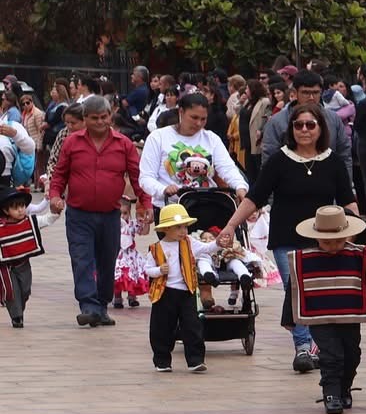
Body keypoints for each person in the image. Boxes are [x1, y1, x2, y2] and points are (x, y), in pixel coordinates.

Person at [217, 103, 359, 372]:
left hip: (325, 239)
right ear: (291, 129)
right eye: (298, 125)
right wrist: (230, 226)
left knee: (318, 292)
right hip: (286, 238)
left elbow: (347, 200)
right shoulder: (279, 160)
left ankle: (318, 345)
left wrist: (356, 231)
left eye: (310, 125)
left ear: (321, 128)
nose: (304, 130)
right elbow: (255, 197)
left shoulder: (333, 161)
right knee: (294, 289)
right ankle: (303, 346)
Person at [45, 95, 142, 327]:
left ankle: (101, 306)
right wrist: (55, 196)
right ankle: (88, 306)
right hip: (79, 214)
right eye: (94, 118)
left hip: (111, 214)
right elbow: (60, 174)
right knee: (82, 259)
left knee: (107, 261)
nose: (100, 122)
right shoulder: (72, 142)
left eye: (104, 117)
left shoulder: (124, 144)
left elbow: (137, 176)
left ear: (110, 116)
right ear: (85, 118)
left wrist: (145, 204)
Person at [289, 205, 366, 414]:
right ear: (316, 237)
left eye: (338, 241)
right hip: (320, 317)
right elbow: (295, 287)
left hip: (349, 316)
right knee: (331, 355)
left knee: (352, 355)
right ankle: (331, 393)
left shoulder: (358, 255)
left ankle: (344, 388)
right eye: (326, 242)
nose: (333, 246)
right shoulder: (303, 260)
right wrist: (289, 317)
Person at [138, 93, 248, 206]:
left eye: (203, 119)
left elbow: (228, 168)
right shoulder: (157, 137)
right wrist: (163, 189)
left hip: (207, 205)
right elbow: (146, 177)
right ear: (181, 112)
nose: (198, 123)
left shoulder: (212, 139)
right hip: (169, 208)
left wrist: (240, 186)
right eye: (194, 117)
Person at [144, 203, 214, 374]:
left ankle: (196, 360)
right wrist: (159, 270)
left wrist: (219, 243)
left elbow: (207, 248)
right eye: (178, 227)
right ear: (166, 229)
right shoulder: (156, 248)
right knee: (162, 327)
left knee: (192, 325)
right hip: (164, 292)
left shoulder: (189, 243)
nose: (184, 231)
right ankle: (162, 360)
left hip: (186, 291)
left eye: (185, 227)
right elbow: (147, 269)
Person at [0, 185, 56, 327]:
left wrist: (55, 213)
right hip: (6, 267)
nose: (20, 210)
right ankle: (16, 317)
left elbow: (46, 220)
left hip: (23, 264)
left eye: (22, 206)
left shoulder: (29, 222)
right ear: (6, 210)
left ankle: (18, 309)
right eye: (15, 208)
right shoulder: (1, 227)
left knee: (25, 290)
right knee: (12, 291)